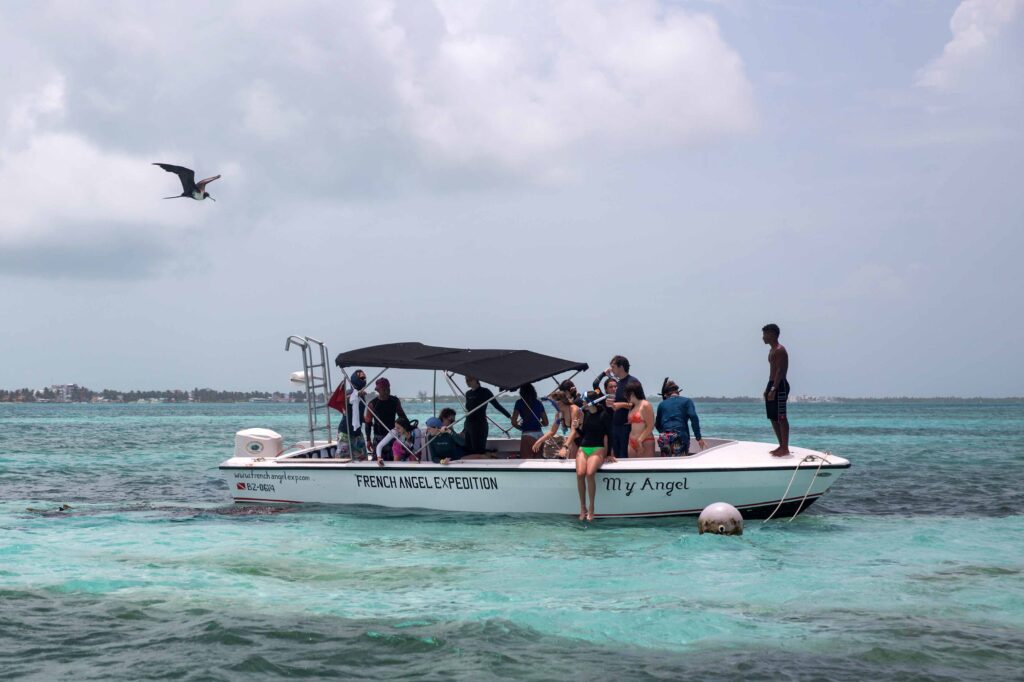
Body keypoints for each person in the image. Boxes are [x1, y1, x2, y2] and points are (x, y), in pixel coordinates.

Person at [575, 390, 615, 521]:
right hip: (583, 448)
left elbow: (610, 434)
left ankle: (592, 507)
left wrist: (609, 454)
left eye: (585, 401)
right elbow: (583, 435)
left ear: (591, 402)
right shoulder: (585, 414)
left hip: (597, 448)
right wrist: (576, 428)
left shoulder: (604, 415)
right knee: (580, 473)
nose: (583, 403)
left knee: (590, 473)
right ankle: (582, 507)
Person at [462, 376, 513, 456]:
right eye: (466, 380)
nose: (467, 382)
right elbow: (469, 412)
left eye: (469, 380)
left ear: (476, 379)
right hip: (469, 425)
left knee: (478, 450)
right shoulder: (468, 393)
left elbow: (497, 405)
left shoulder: (485, 392)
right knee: (468, 450)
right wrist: (464, 428)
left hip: (480, 425)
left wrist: (510, 416)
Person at [655, 379, 706, 456]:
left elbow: (657, 424)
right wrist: (698, 437)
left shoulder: (662, 404)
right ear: (678, 391)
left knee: (666, 462)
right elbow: (693, 416)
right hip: (680, 436)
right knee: (679, 462)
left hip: (664, 437)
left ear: (666, 394)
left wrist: (666, 433)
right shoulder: (687, 401)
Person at [762, 323, 791, 456]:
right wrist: (768, 388)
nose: (763, 337)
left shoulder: (780, 350)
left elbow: (781, 371)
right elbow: (772, 371)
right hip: (772, 383)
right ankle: (781, 446)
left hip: (779, 385)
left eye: (765, 334)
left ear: (773, 334)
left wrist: (774, 388)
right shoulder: (771, 350)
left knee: (781, 417)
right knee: (773, 417)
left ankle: (785, 448)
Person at [364, 378, 408, 459]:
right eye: (384, 389)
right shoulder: (373, 404)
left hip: (393, 435)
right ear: (378, 390)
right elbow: (368, 423)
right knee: (378, 459)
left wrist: (407, 431)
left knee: (394, 461)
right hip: (378, 437)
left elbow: (403, 417)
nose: (387, 391)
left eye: (388, 388)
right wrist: (368, 440)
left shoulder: (395, 401)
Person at [604, 355, 637, 460]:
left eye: (613, 367)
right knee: (617, 455)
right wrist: (611, 404)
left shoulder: (632, 382)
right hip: (616, 426)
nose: (611, 369)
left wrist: (620, 405)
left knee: (624, 456)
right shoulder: (619, 384)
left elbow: (640, 405)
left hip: (626, 427)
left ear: (621, 367)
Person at [532, 390, 582, 459]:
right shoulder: (559, 413)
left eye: (553, 402)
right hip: (574, 440)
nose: (552, 405)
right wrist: (539, 441)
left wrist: (565, 447)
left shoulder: (574, 409)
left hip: (585, 439)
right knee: (572, 463)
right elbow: (552, 431)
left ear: (560, 402)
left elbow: (574, 431)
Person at [511, 383, 548, 458]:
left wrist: (522, 427)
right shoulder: (538, 403)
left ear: (521, 393)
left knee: (526, 462)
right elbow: (546, 422)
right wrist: (536, 423)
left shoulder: (519, 403)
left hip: (528, 435)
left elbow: (514, 422)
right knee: (538, 461)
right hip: (540, 435)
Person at [622, 379, 655, 457]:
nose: (625, 396)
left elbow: (650, 426)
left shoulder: (645, 405)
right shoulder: (632, 407)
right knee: (632, 467)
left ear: (632, 393)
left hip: (645, 441)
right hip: (631, 442)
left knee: (646, 468)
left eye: (626, 394)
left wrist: (640, 440)